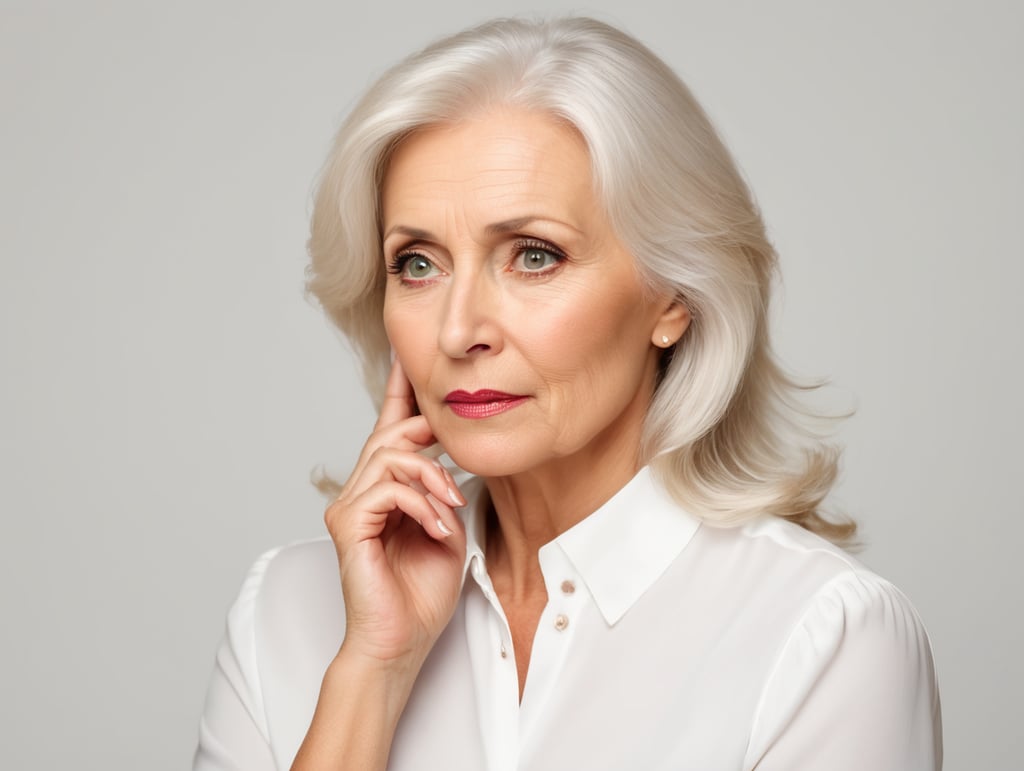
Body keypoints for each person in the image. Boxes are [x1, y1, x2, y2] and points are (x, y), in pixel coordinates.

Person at [194, 16, 941, 771]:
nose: (459, 331)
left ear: (673, 295)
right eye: (418, 264)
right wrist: (371, 674)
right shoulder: (284, 611)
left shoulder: (819, 635)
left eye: (533, 255)